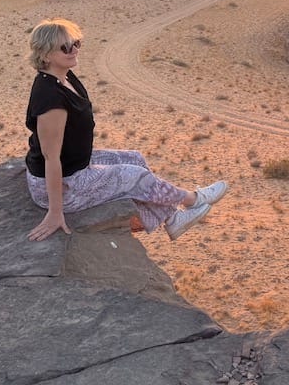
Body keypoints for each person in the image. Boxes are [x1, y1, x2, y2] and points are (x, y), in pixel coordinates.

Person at [24, 18, 227, 241]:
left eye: (76, 43)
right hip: (65, 186)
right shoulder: (51, 100)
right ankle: (192, 199)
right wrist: (55, 212)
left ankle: (173, 219)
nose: (74, 50)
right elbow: (50, 158)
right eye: (65, 47)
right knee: (135, 176)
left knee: (134, 158)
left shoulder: (65, 77)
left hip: (77, 165)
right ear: (45, 55)